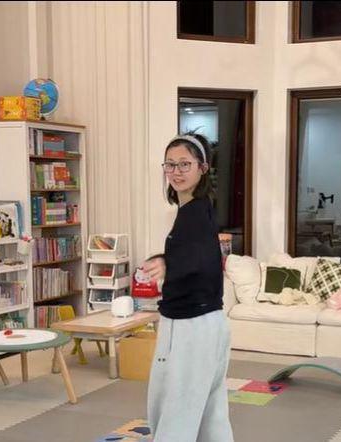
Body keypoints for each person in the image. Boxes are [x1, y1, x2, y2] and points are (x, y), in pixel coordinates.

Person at [142, 133, 234, 442]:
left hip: (191, 326)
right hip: (206, 322)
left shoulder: (194, 212)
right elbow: (198, 254)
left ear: (202, 169)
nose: (176, 171)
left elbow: (198, 257)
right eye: (170, 164)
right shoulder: (198, 209)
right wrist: (166, 260)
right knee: (209, 409)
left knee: (175, 407)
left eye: (185, 164)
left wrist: (168, 263)